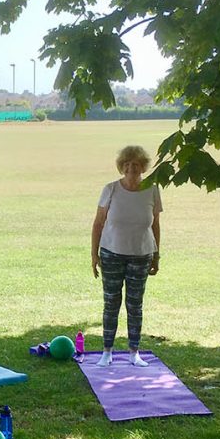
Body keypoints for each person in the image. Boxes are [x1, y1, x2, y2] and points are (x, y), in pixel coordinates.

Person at [91, 146, 162, 367]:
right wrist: (94, 254)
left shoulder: (152, 190)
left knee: (135, 304)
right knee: (111, 302)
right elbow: (98, 223)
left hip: (141, 255)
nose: (131, 168)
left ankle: (134, 352)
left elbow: (156, 225)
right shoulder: (111, 189)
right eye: (127, 164)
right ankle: (107, 351)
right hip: (111, 253)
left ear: (143, 167)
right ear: (122, 167)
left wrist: (156, 256)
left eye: (136, 164)